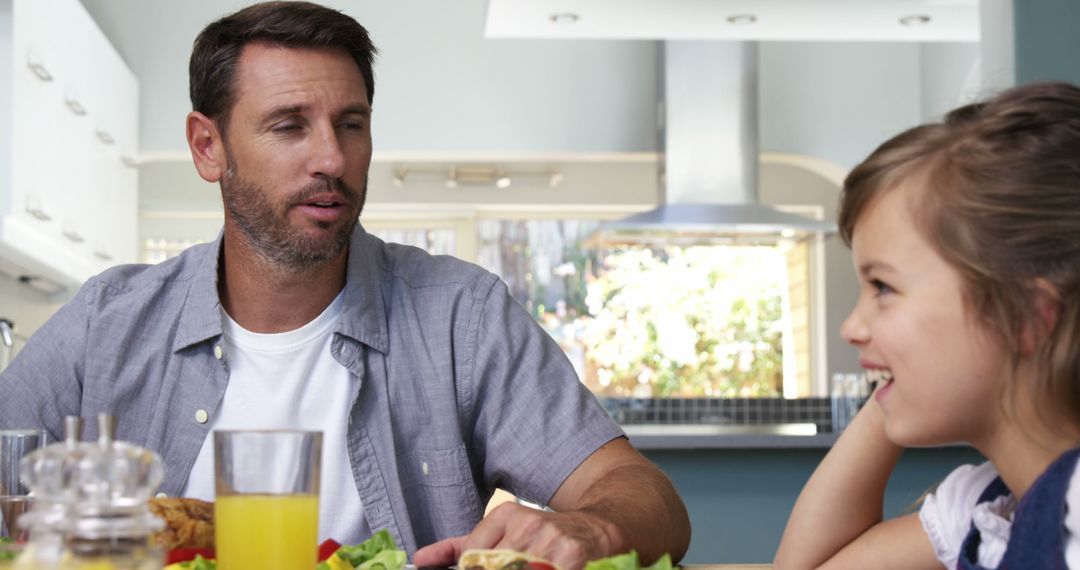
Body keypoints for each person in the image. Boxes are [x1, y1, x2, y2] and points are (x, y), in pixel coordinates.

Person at [0, 2, 691, 568]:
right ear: (208, 147)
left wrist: (594, 529)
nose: (332, 158)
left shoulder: (461, 316)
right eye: (289, 126)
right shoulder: (107, 323)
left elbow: (642, 496)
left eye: (350, 124)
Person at [773, 81, 1080, 569]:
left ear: (1023, 315)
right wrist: (893, 379)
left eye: (883, 288)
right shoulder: (989, 509)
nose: (851, 327)